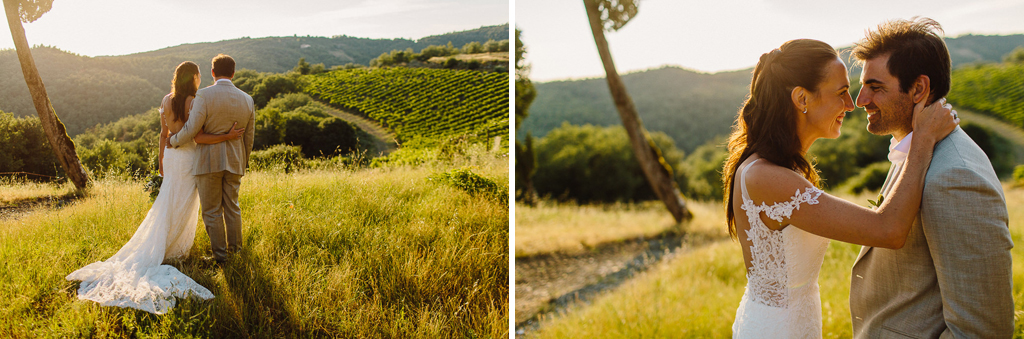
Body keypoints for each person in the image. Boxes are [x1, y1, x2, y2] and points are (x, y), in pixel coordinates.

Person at [724, 39, 958, 338]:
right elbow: (888, 230)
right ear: (801, 98)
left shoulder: (782, 170)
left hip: (796, 321)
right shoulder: (767, 177)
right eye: (841, 93)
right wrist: (922, 142)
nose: (852, 104)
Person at [848, 17, 1013, 338]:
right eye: (863, 86)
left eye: (875, 87)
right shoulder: (915, 152)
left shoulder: (956, 176)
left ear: (918, 89)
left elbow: (981, 330)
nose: (861, 100)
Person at [65, 61, 245, 314]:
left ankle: (168, 245)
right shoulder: (195, 101)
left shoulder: (166, 99)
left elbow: (163, 134)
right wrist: (226, 136)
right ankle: (175, 248)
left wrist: (160, 160)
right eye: (198, 75)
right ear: (193, 78)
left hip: (171, 158)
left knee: (169, 200)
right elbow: (196, 136)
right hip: (189, 157)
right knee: (184, 202)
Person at [168, 54, 256, 265]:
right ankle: (236, 253)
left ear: (213, 72)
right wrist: (243, 161)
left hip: (208, 162)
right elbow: (249, 136)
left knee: (212, 211)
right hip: (235, 161)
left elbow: (192, 128)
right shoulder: (247, 99)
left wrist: (174, 141)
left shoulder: (204, 96)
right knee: (232, 207)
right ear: (233, 73)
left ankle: (221, 257)